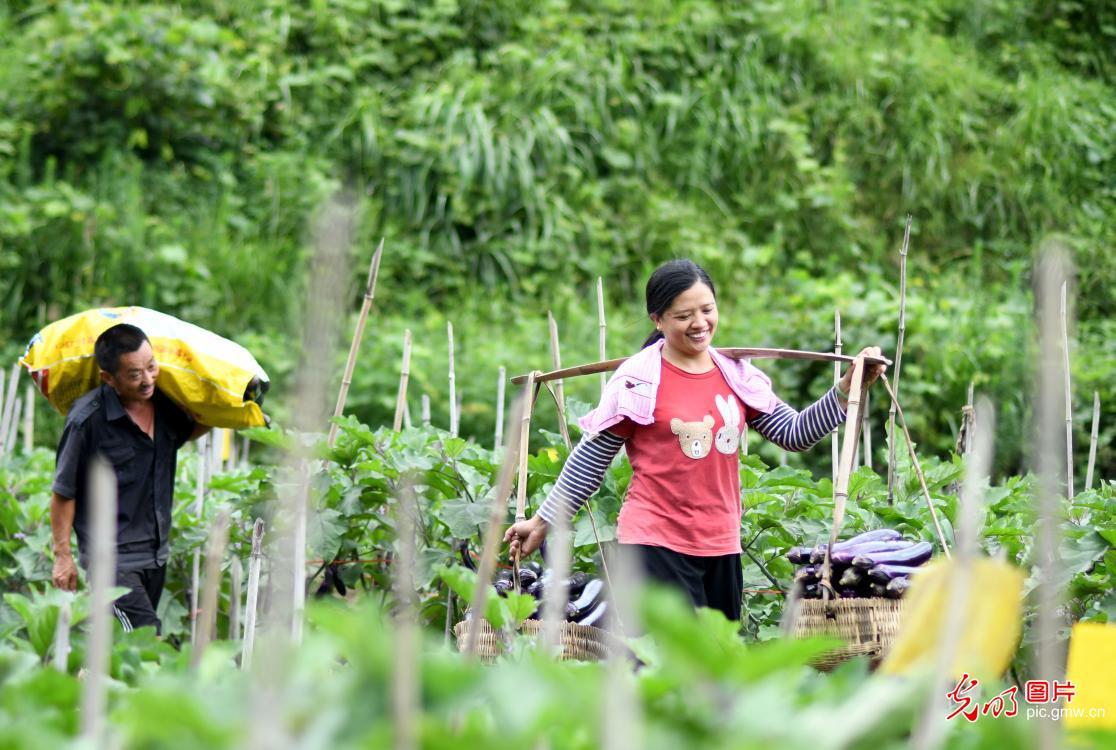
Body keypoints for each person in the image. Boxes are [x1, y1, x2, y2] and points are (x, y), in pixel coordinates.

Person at [504, 259, 884, 622]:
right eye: (684, 316)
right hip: (655, 541)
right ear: (658, 319)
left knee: (717, 666)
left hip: (721, 542)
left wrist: (846, 389)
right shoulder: (639, 380)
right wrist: (543, 521)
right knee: (674, 665)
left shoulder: (735, 374)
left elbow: (794, 434)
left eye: (707, 310)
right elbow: (590, 460)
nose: (699, 323)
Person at [50, 323, 209, 634]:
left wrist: (222, 408)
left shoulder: (164, 406)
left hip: (156, 553)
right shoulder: (87, 420)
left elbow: (189, 429)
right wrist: (62, 556)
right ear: (109, 378)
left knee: (118, 651)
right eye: (135, 374)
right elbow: (63, 492)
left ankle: (87, 679)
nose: (148, 379)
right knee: (146, 638)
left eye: (151, 367)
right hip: (111, 560)